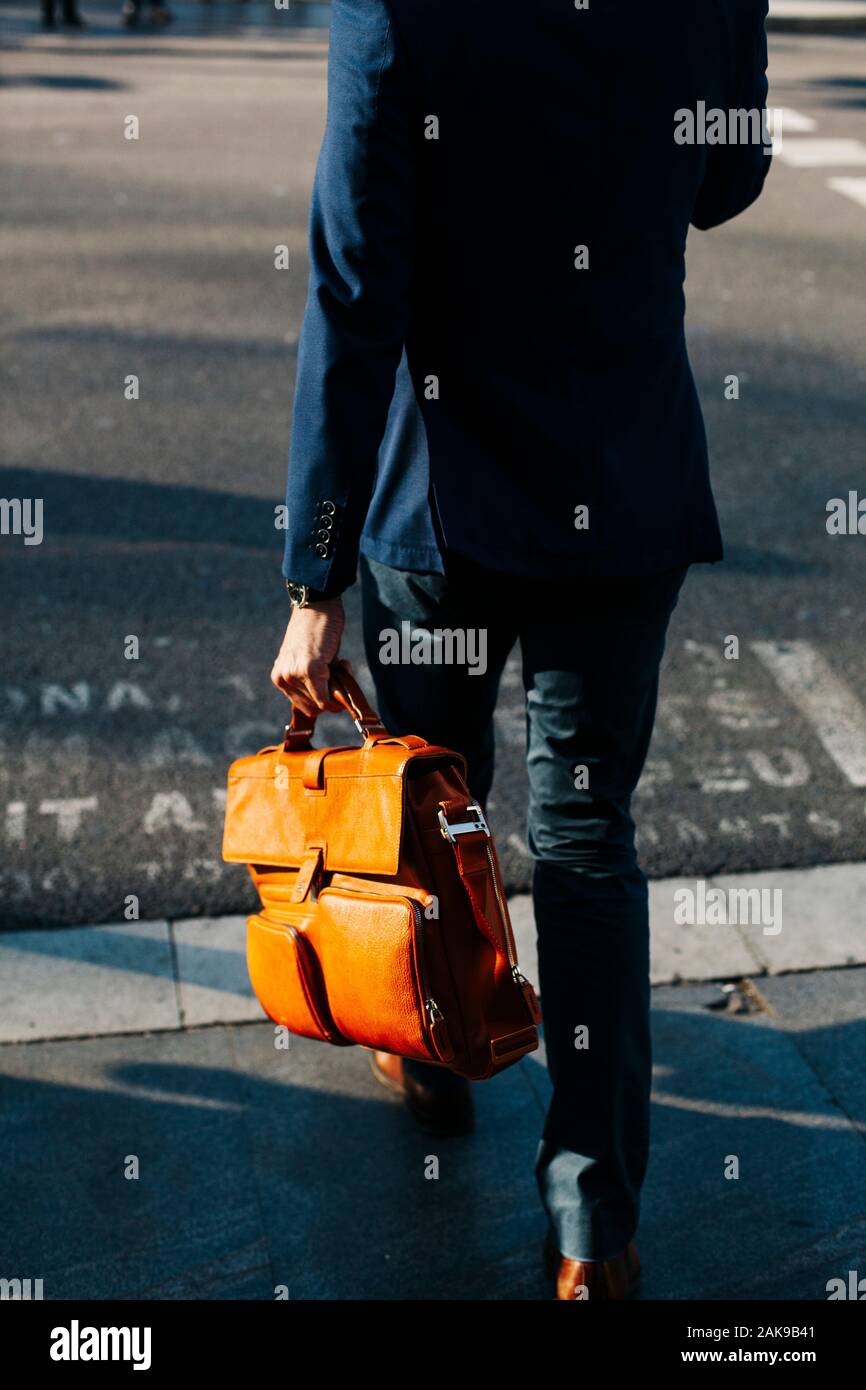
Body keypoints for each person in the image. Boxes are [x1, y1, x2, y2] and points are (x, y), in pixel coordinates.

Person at [271, 0, 771, 1300]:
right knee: (589, 834)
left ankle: (433, 1049)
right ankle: (589, 1230)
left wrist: (312, 574)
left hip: (442, 496)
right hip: (625, 463)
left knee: (436, 801)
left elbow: (350, 276)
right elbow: (726, 181)